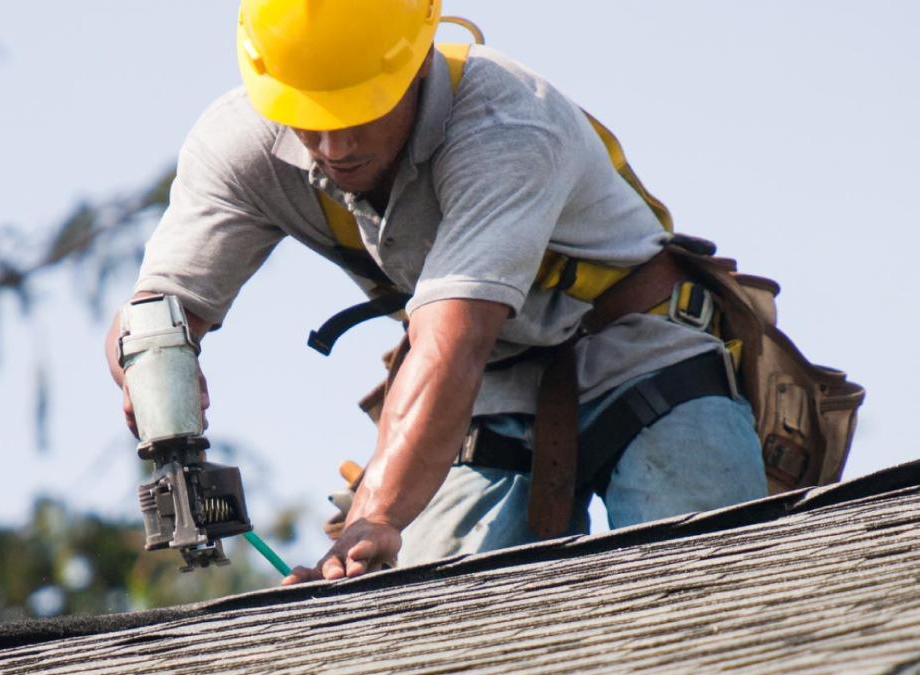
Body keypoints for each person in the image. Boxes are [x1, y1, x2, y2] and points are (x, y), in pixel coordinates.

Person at [105, 0, 766, 585]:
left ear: (418, 62)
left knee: (704, 592)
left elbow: (451, 344)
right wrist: (162, 393)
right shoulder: (239, 144)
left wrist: (376, 516)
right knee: (426, 622)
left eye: (360, 110)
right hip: (490, 391)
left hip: (643, 353)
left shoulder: (507, 123)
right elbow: (155, 312)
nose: (334, 146)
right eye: (307, 116)